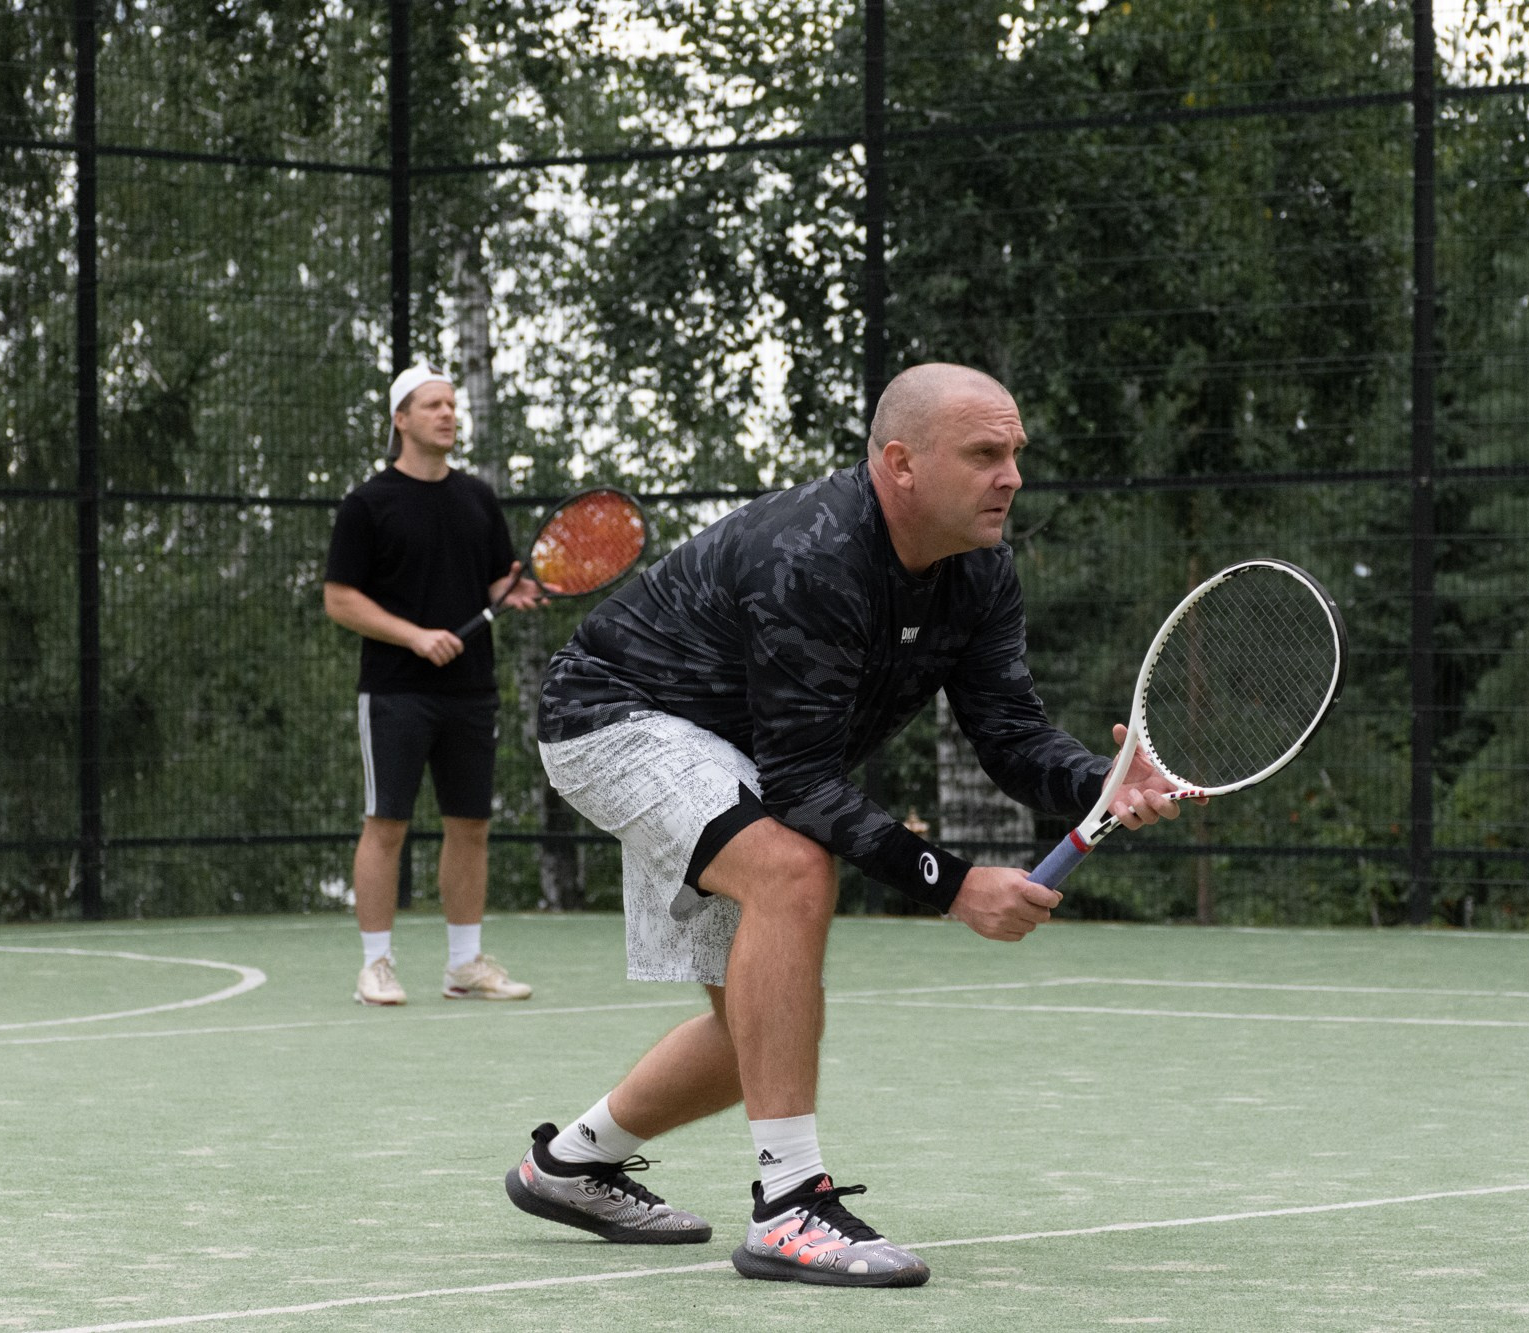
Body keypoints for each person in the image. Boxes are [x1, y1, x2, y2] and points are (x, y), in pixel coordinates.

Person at [504, 363, 1188, 1286]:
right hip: (609, 716)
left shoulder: (979, 570)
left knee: (762, 1023)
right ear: (901, 464)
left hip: (730, 750)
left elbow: (1011, 732)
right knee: (793, 868)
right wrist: (953, 885)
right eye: (985, 454)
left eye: (1016, 453)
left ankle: (569, 1164)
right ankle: (789, 1205)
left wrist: (1104, 781)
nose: (1012, 476)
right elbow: (800, 783)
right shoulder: (815, 556)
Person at [323, 365, 543, 1006]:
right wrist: (416, 635)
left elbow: (492, 584)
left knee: (470, 825)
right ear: (401, 420)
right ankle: (375, 966)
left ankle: (464, 965)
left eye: (451, 404)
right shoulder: (367, 505)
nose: (448, 413)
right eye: (432, 405)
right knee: (386, 824)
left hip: (472, 690)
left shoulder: (477, 498)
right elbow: (340, 600)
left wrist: (513, 591)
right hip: (395, 691)